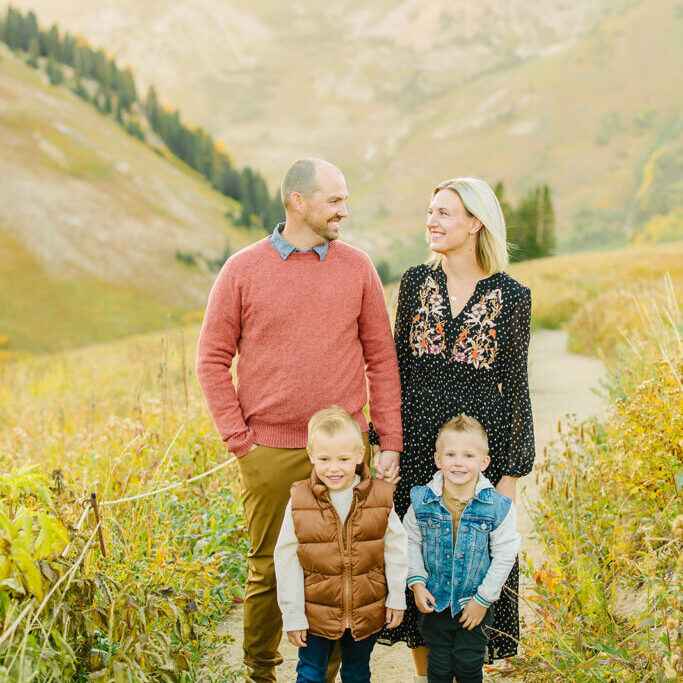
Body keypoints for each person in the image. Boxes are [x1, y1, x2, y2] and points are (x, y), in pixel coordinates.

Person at [195, 158, 403, 683]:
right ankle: (259, 671)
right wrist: (239, 440)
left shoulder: (357, 267)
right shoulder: (241, 269)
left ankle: (324, 673)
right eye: (335, 200)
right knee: (268, 565)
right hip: (267, 450)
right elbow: (211, 360)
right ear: (298, 202)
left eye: (345, 199)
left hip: (344, 452)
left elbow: (381, 358)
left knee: (343, 566)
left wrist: (388, 440)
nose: (344, 211)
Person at [376, 177, 535, 679]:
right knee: (421, 562)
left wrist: (511, 471)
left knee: (473, 562)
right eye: (430, 211)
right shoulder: (415, 283)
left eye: (445, 212)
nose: (432, 221)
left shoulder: (511, 295)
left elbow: (517, 385)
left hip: (475, 452)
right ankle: (428, 676)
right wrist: (389, 444)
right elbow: (394, 369)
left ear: (475, 223)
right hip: (421, 445)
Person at [274, 406, 408, 683]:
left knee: (357, 674)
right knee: (310, 674)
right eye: (324, 459)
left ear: (360, 455)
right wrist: (293, 614)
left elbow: (396, 548)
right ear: (310, 455)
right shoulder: (299, 500)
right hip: (315, 613)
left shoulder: (380, 497)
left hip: (366, 609)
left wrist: (396, 596)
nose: (333, 468)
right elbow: (285, 558)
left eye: (343, 459)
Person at [404, 414, 521, 683]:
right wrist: (417, 583)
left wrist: (483, 600)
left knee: (469, 667)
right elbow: (410, 541)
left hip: (474, 604)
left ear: (484, 462)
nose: (458, 462)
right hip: (435, 602)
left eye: (469, 456)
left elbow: (505, 554)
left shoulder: (498, 507)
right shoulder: (422, 500)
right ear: (437, 459)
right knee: (439, 668)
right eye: (451, 454)